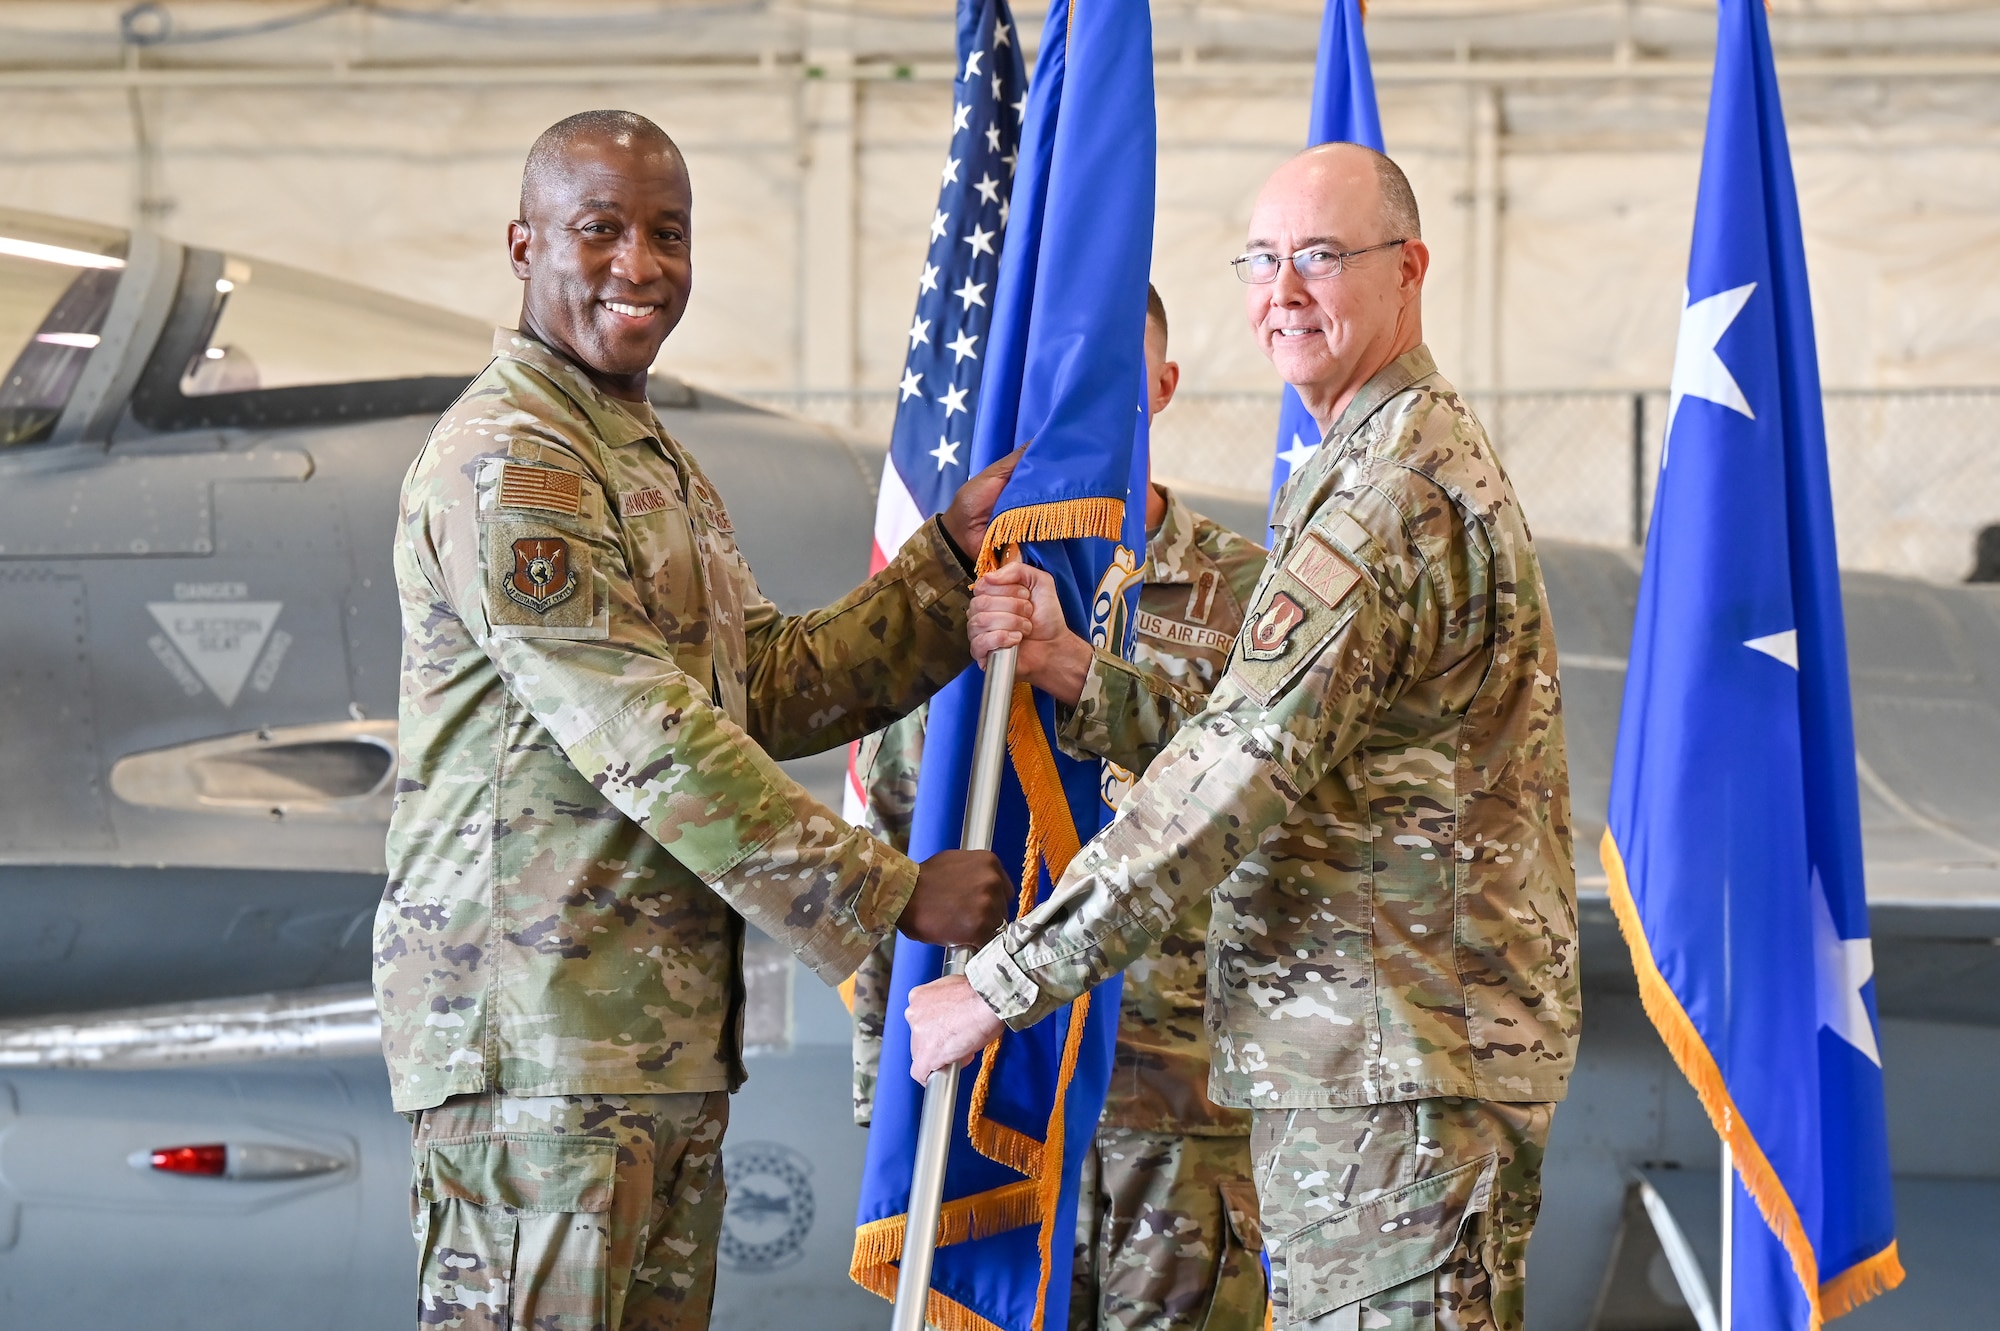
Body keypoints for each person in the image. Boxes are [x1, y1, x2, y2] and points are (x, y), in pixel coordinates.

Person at [906, 142, 1579, 1331]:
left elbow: (1243, 771)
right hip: (1376, 1064)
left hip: (1393, 1072)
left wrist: (1002, 983)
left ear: (1407, 269)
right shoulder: (1368, 460)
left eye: (1320, 256)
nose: (1283, 291)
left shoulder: (1386, 493)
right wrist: (1083, 676)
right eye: (1261, 260)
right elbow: (1304, 739)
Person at [377, 109, 1015, 1331]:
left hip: (647, 1049)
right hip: (539, 1048)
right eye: (599, 229)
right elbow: (646, 735)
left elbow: (761, 683)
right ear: (522, 245)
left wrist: (943, 571)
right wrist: (887, 894)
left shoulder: (642, 455)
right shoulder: (514, 461)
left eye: (666, 233)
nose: (639, 265)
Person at [848, 287, 1272, 1331]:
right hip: (987, 1107)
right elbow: (896, 835)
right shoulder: (952, 590)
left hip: (1181, 1119)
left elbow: (1264, 806)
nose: (1079, 406)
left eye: (1111, 380)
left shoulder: (1248, 596)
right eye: (1055, 381)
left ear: (1163, 389)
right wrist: (885, 1093)